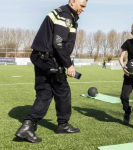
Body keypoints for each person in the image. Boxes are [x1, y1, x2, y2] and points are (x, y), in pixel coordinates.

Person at [15, 0, 88, 143]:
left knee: (45, 92)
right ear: (73, 1)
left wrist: (67, 62)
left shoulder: (63, 13)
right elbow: (58, 42)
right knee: (62, 91)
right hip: (49, 59)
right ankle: (62, 125)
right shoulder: (66, 15)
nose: (83, 9)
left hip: (41, 57)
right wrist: (69, 65)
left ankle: (27, 127)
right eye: (82, 5)